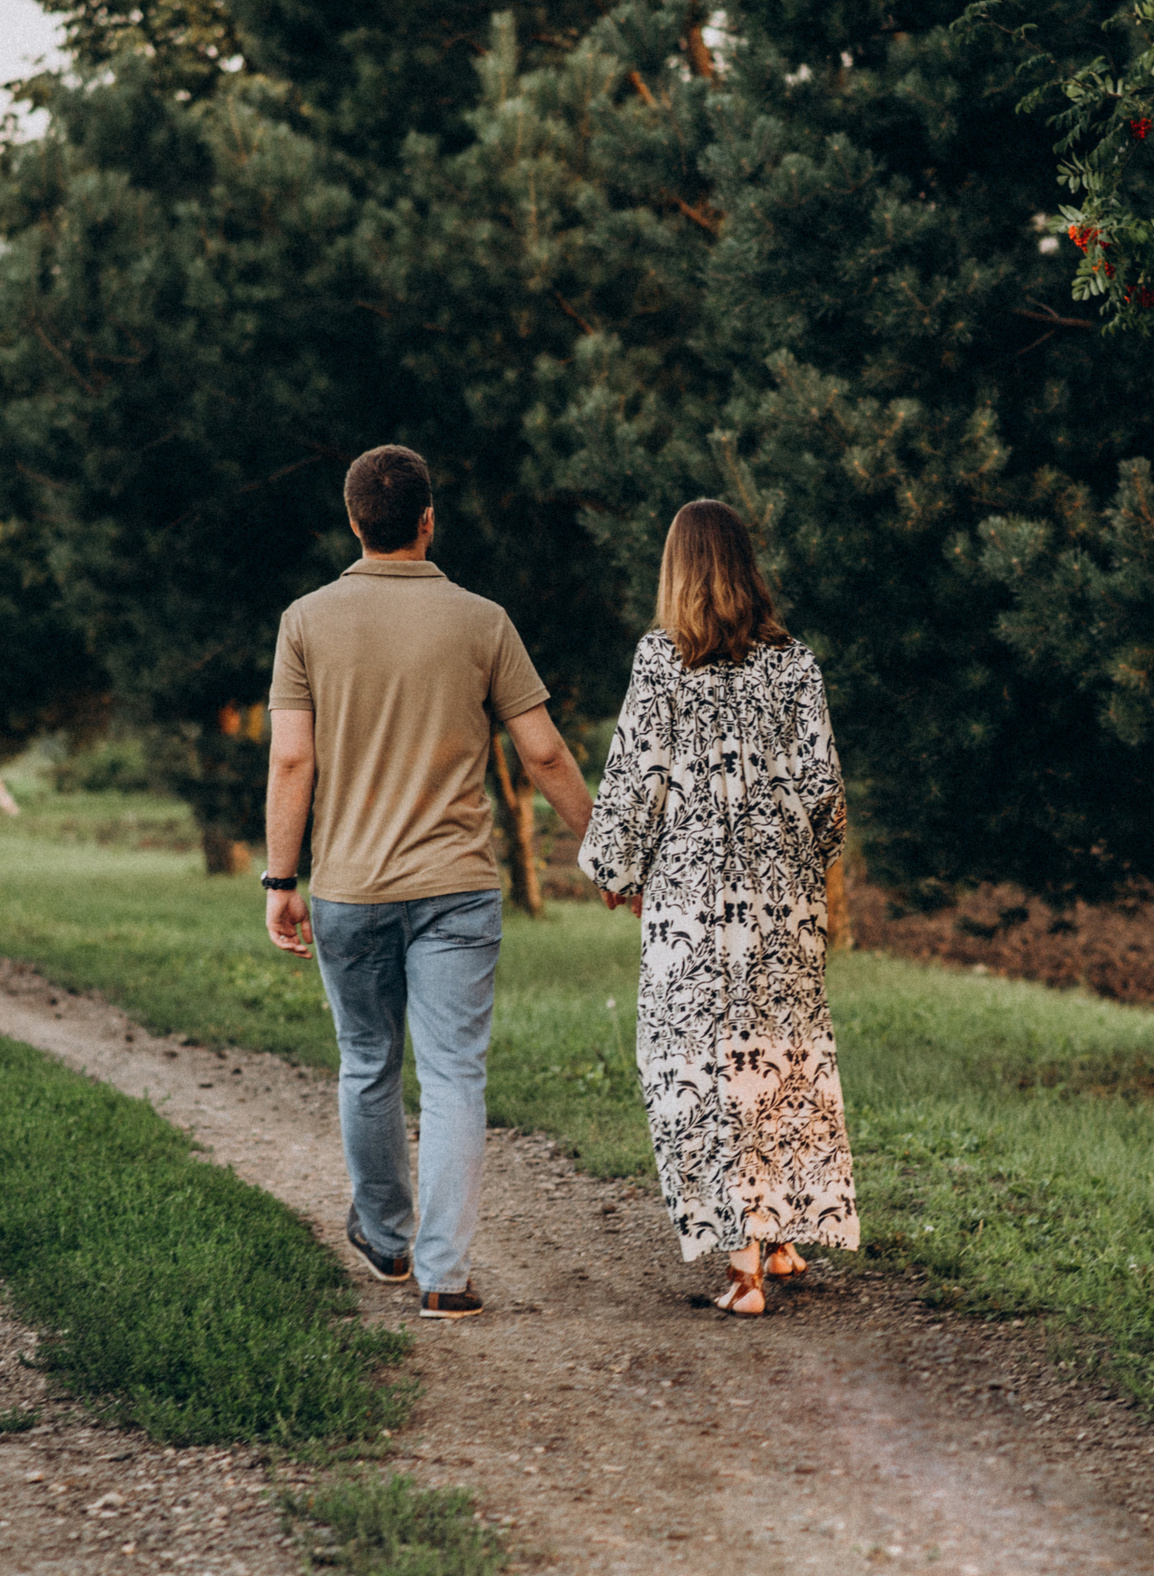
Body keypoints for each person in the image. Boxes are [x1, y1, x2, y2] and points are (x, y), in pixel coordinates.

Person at [261, 444, 593, 1321]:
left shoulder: (306, 619)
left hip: (349, 887)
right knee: (453, 1077)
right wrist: (604, 847)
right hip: (457, 887)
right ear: (427, 519)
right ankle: (446, 1276)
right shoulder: (483, 622)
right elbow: (545, 751)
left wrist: (279, 877)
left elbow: (292, 757)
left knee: (368, 1062)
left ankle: (385, 1236)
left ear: (353, 521)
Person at [577, 498, 858, 1315]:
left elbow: (636, 778)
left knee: (696, 1068)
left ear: (677, 571)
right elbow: (826, 794)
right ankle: (781, 1234)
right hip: (783, 904)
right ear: (746, 567)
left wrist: (615, 868)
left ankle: (744, 1267)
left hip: (693, 906)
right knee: (779, 1057)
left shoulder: (663, 661)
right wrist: (807, 863)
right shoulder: (795, 664)